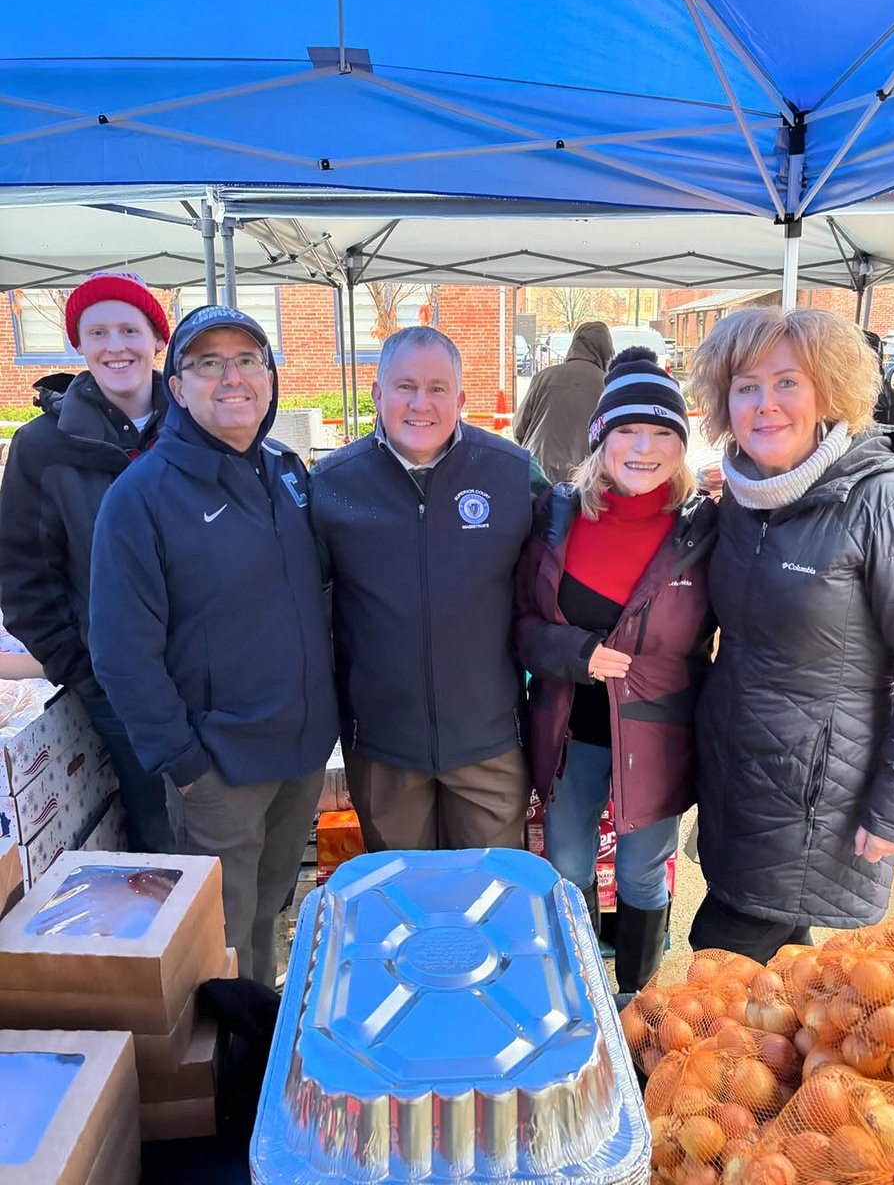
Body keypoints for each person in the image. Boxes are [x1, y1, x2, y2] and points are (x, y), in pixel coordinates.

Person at [689, 306, 894, 962]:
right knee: (789, 988)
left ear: (829, 392)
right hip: (739, 783)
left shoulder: (887, 502)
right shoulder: (749, 498)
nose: (765, 404)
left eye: (787, 382)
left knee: (713, 980)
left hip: (818, 802)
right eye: (746, 385)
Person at [88, 305, 338, 986]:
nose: (232, 378)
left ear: (269, 377)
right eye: (207, 363)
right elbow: (118, 649)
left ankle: (260, 1035)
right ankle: (228, 1073)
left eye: (247, 360)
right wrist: (184, 760)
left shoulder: (288, 473)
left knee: (269, 910)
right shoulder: (142, 496)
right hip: (219, 766)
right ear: (177, 386)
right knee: (222, 936)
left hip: (299, 753)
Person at [514, 348, 716, 991]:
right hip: (572, 732)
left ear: (682, 446)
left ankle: (638, 1002)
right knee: (566, 862)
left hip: (657, 736)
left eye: (663, 433)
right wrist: (576, 654)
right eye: (628, 429)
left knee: (641, 874)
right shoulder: (556, 515)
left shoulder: (704, 529)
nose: (644, 447)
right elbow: (520, 626)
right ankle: (574, 993)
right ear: (601, 438)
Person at [310, 326, 548, 854]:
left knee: (488, 903)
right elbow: (307, 612)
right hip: (382, 746)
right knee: (405, 908)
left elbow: (559, 580)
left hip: (489, 744)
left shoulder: (513, 474)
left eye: (438, 388)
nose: (422, 404)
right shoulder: (331, 485)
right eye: (405, 386)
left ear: (461, 399)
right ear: (376, 394)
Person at [0, 272, 174, 852]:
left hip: (212, 673)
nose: (115, 345)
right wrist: (81, 665)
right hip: (117, 684)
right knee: (160, 831)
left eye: (130, 328)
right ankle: (186, 939)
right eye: (97, 331)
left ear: (157, 339)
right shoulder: (42, 448)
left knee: (235, 824)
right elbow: (24, 576)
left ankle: (238, 938)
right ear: (78, 343)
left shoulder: (199, 428)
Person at [514, 321, 614, 483]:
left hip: (537, 472)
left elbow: (519, 427)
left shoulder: (544, 377)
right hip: (585, 479)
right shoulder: (608, 386)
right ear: (607, 351)